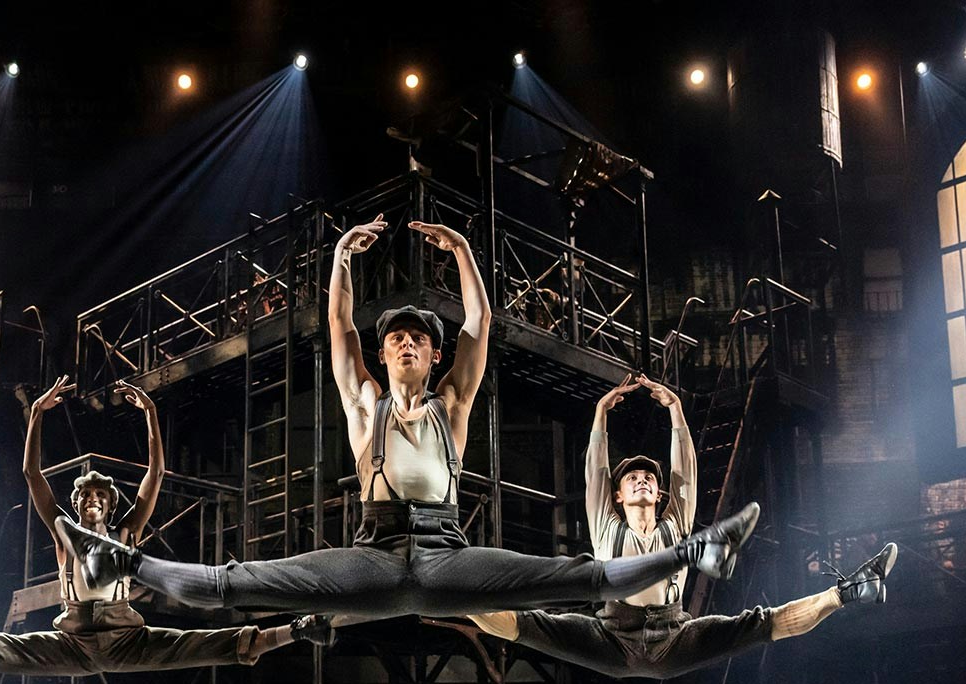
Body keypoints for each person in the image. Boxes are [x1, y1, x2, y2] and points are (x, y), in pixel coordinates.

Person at [57, 215, 761, 617]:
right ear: (383, 351)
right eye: (393, 335)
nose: (403, 341)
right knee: (242, 581)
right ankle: (123, 559)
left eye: (417, 337)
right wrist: (338, 257)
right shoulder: (364, 401)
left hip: (449, 554)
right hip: (372, 555)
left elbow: (482, 323)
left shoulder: (452, 402)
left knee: (570, 573)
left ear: (431, 355)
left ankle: (699, 549)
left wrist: (460, 251)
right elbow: (336, 325)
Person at [0, 376, 331, 674]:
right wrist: (37, 415)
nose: (92, 500)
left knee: (214, 644)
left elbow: (156, 473)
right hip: (71, 642)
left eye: (99, 496)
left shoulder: (128, 531)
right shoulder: (65, 533)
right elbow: (31, 474)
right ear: (79, 503)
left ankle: (300, 627)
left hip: (127, 639)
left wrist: (152, 412)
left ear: (109, 505)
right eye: (85, 495)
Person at [470, 374, 897, 679]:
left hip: (674, 636)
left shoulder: (673, 525)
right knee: (522, 625)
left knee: (764, 624)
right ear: (618, 495)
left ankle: (850, 591)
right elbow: (594, 473)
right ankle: (445, 590)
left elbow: (686, 477)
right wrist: (600, 414)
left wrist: (676, 411)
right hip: (612, 638)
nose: (642, 480)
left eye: (650, 480)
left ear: (658, 495)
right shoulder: (606, 526)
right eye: (632, 478)